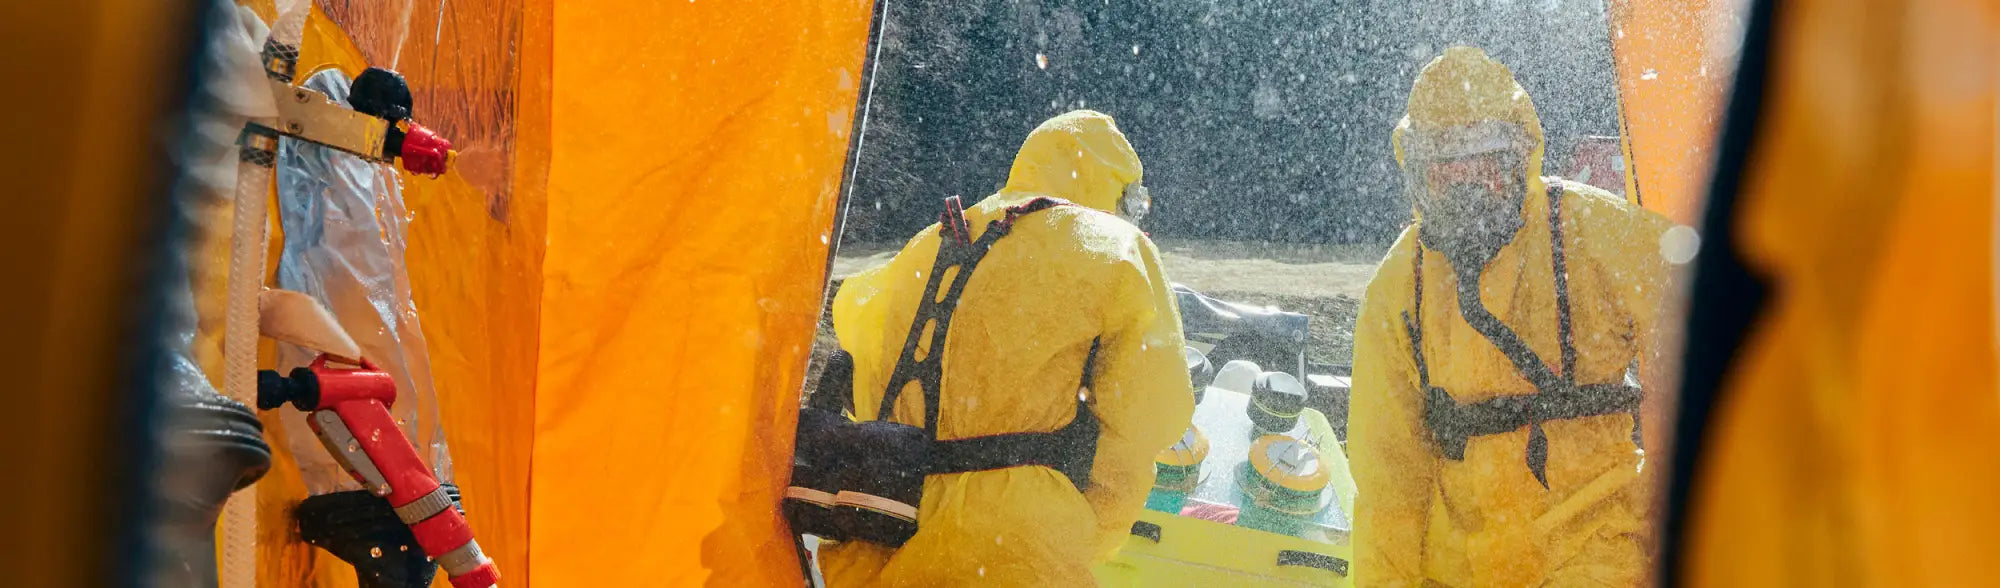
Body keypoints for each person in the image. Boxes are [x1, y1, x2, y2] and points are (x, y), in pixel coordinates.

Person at [817, 110, 1193, 586]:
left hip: (883, 528)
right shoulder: (1117, 250)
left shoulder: (930, 241)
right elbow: (1145, 419)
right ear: (1117, 190)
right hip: (1016, 549)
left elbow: (861, 350)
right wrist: (1089, 530)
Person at [1347, 47, 1673, 586]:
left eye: (1483, 166)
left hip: (1595, 546)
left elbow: (1708, 320)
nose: (1465, 188)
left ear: (1520, 158)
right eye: (1445, 170)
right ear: (1419, 175)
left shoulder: (1592, 234)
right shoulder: (1401, 287)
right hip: (1460, 567)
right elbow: (1388, 486)